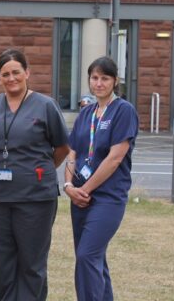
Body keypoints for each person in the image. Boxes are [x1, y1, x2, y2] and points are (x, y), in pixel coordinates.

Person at [0, 49, 71, 301]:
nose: (11, 78)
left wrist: (35, 171)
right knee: (1, 262)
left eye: (16, 72)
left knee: (31, 263)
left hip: (34, 198)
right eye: (5, 74)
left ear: (27, 73)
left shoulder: (46, 106)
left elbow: (62, 147)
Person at [64, 56, 139, 301]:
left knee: (87, 256)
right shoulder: (87, 113)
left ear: (115, 81)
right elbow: (72, 153)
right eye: (94, 78)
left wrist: (84, 188)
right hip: (79, 198)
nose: (99, 83)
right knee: (93, 259)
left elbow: (115, 158)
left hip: (107, 197)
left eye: (104, 78)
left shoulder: (123, 111)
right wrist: (68, 186)